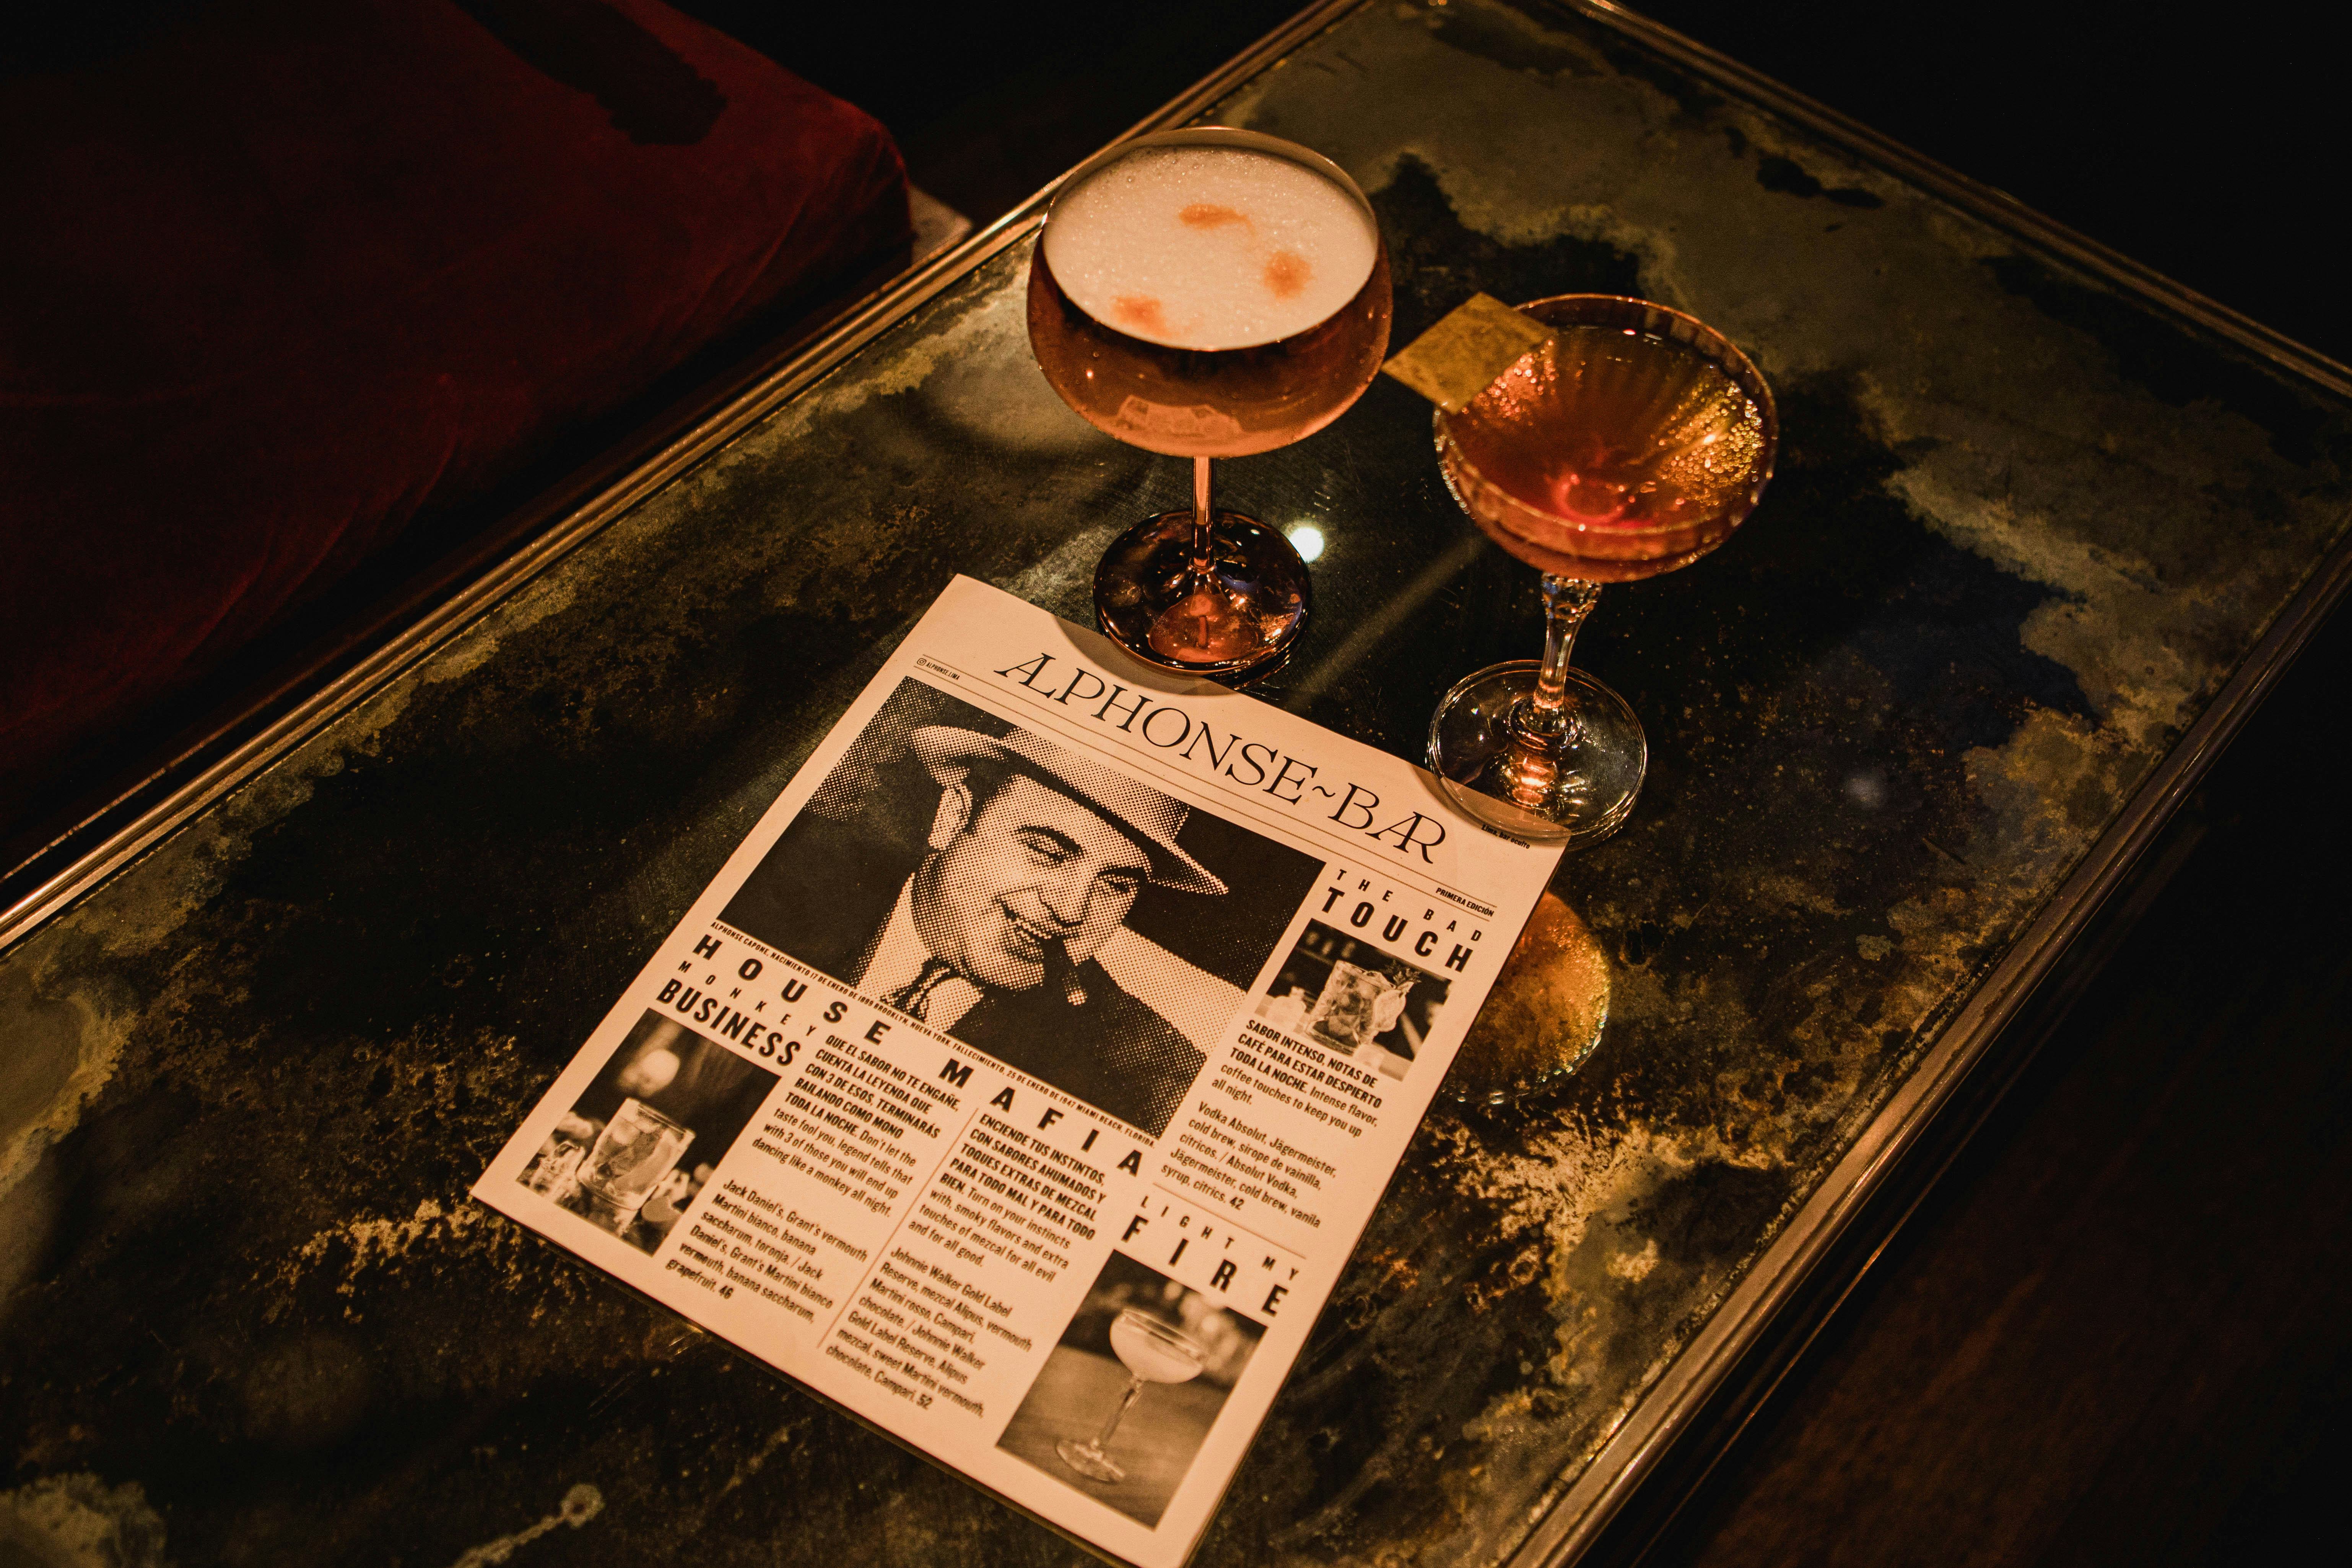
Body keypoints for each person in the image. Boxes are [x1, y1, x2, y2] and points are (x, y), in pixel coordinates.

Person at [722, 724, 1227, 1136]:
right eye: (1047, 850)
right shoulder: (756, 878)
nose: (1072, 909)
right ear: (952, 818)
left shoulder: (1143, 1078)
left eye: (1116, 885)